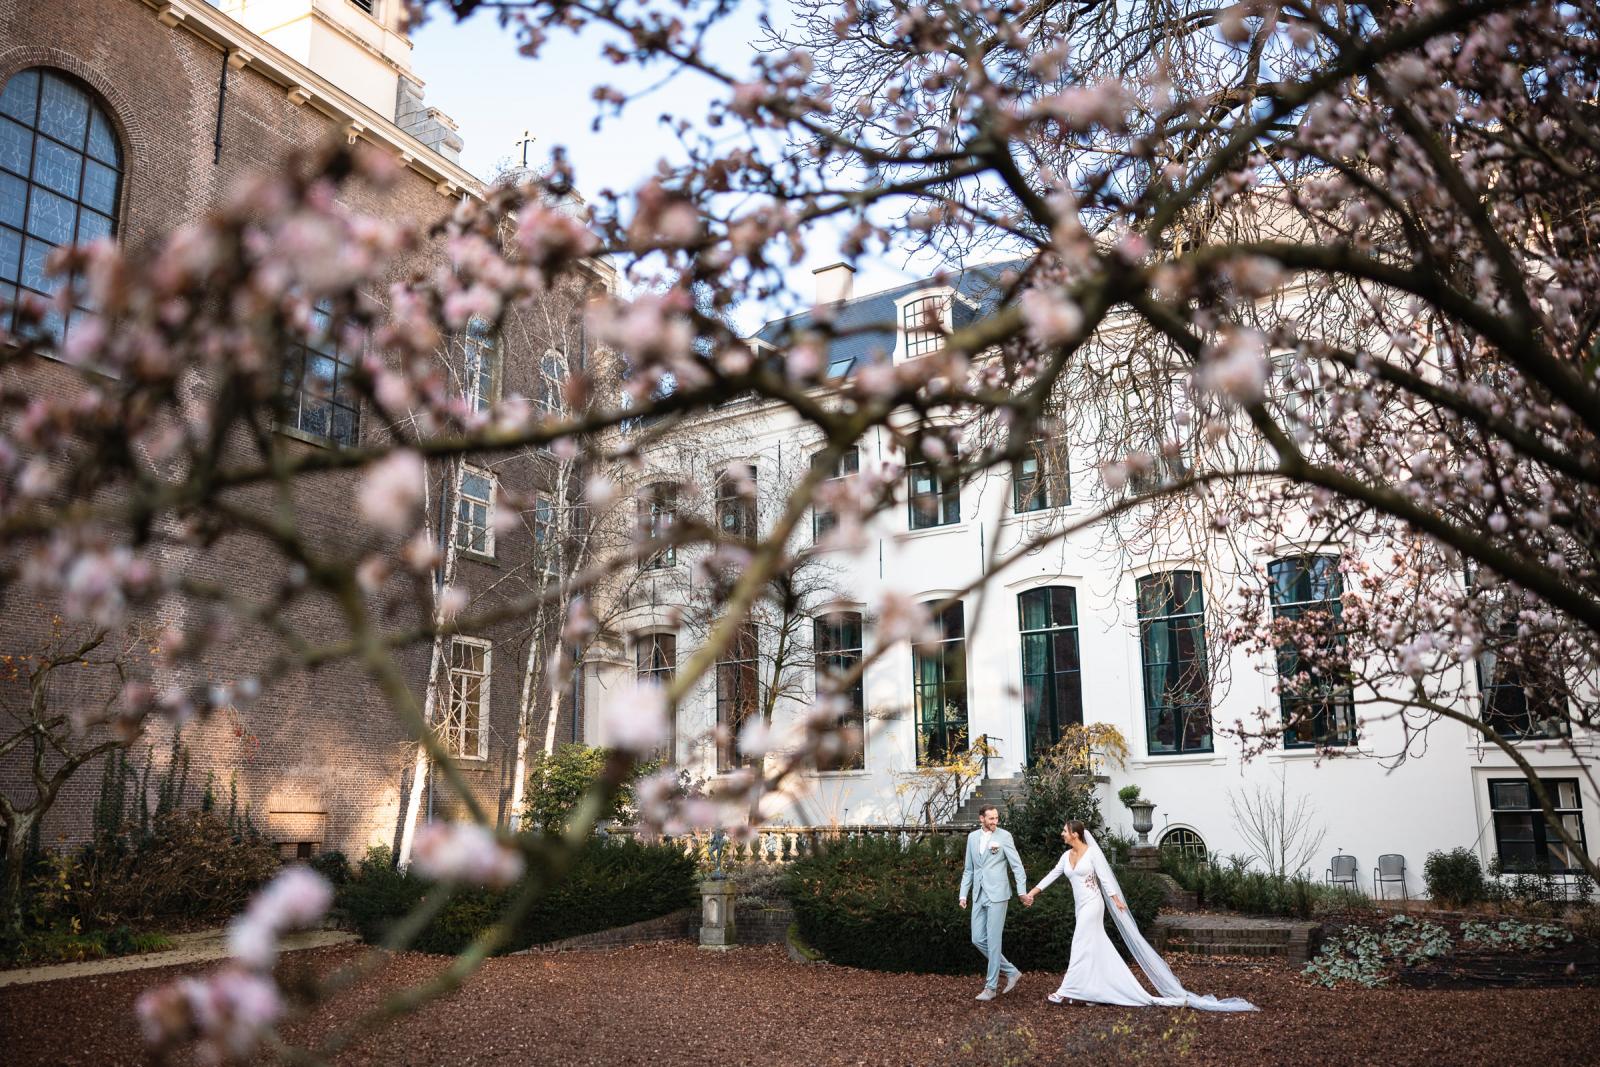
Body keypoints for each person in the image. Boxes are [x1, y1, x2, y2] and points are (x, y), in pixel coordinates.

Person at [1022, 820, 1257, 1012]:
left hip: (1094, 904)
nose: (1061, 834)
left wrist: (1115, 899)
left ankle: (1067, 990)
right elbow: (1052, 875)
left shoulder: (1092, 853)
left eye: (1064, 831)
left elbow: (1104, 877)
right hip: (1080, 906)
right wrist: (1032, 893)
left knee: (1080, 943)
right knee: (1095, 948)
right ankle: (1094, 991)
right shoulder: (1065, 857)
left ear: (1075, 834)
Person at [958, 804, 1030, 1001]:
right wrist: (963, 895)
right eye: (991, 819)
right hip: (978, 894)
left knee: (993, 940)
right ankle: (1012, 971)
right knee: (977, 939)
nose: (994, 822)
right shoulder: (972, 838)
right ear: (981, 818)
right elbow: (969, 869)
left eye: (996, 818)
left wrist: (1022, 891)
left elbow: (1017, 866)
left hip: (998, 894)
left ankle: (991, 988)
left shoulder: (1004, 837)